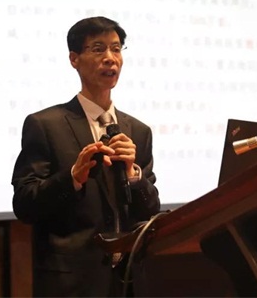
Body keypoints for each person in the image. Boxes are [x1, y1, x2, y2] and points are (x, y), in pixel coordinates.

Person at [12, 16, 161, 297]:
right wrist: (73, 178)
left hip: (129, 281)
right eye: (98, 49)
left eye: (116, 49)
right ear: (74, 59)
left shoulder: (139, 131)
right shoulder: (45, 125)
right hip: (72, 283)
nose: (110, 58)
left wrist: (135, 176)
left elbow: (150, 210)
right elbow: (24, 204)